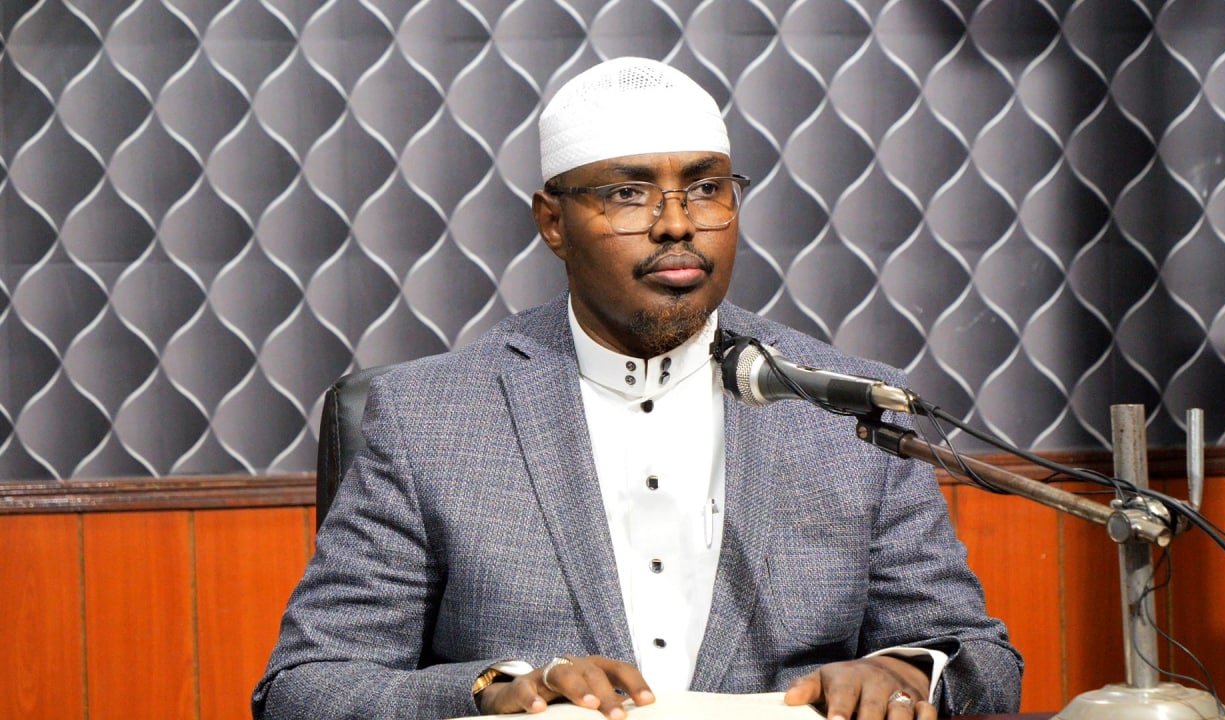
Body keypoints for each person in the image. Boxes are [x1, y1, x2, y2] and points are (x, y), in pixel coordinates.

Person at [253, 57, 1022, 720]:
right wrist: (496, 689)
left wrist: (905, 671)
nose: (676, 223)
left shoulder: (845, 407)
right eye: (628, 193)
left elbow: (979, 657)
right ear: (553, 222)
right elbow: (306, 687)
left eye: (706, 188)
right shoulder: (433, 417)